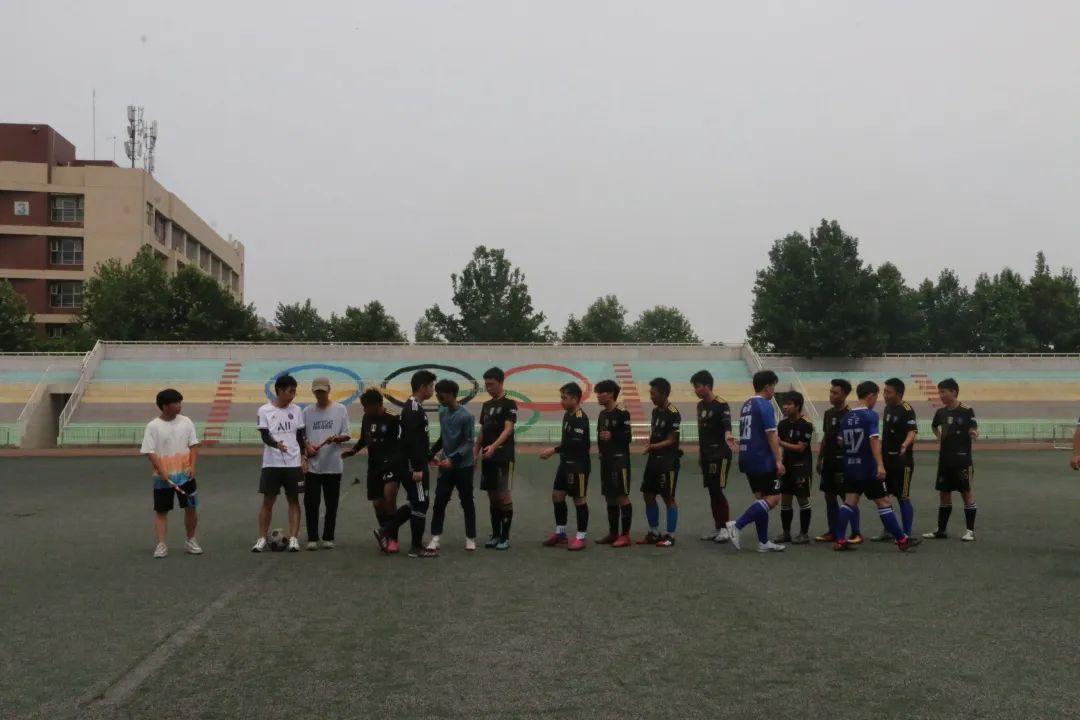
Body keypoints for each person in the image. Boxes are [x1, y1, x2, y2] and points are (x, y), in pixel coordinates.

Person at [832, 381, 911, 552]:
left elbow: (840, 441)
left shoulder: (846, 417)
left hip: (850, 466)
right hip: (867, 468)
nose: (876, 400)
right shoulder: (870, 416)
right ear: (870, 395)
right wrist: (880, 465)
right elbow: (874, 440)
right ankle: (902, 539)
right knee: (884, 502)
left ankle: (839, 540)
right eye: (876, 396)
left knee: (849, 502)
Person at [375, 370, 437, 558]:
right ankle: (415, 547)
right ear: (423, 387)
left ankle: (386, 529)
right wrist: (417, 467)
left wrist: (428, 457)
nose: (433, 389)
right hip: (412, 465)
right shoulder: (413, 409)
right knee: (420, 503)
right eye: (431, 386)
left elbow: (418, 440)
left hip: (415, 462)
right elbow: (411, 442)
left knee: (417, 502)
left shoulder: (414, 407)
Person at [726, 370, 787, 553]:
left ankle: (763, 542)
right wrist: (778, 460)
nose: (774, 390)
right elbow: (771, 434)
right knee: (773, 498)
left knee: (761, 498)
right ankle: (737, 525)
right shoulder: (765, 404)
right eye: (774, 386)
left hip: (747, 456)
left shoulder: (747, 404)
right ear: (767, 386)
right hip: (762, 458)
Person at [140, 388, 201, 559]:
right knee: (161, 511)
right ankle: (161, 544)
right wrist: (162, 472)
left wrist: (192, 467)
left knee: (191, 507)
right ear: (165, 406)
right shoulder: (153, 426)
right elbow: (149, 451)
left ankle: (190, 540)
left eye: (179, 402)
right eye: (175, 403)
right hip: (162, 478)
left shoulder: (186, 422)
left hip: (186, 475)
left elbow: (193, 445)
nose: (179, 406)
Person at [343, 388, 404, 553]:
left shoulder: (393, 418)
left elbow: (402, 443)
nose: (364, 410)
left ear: (377, 405)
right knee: (378, 504)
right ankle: (384, 534)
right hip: (374, 466)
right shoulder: (366, 418)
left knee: (389, 498)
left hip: (391, 465)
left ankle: (393, 539)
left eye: (366, 407)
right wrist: (353, 450)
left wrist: (399, 462)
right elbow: (364, 439)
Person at [253, 374, 307, 553]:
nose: (293, 394)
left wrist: (303, 457)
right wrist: (276, 445)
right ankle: (261, 539)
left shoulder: (297, 410)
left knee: (294, 500)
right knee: (268, 500)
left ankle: (293, 539)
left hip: (293, 463)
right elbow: (264, 436)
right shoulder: (264, 410)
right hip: (272, 463)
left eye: (295, 391)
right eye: (291, 391)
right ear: (280, 390)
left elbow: (300, 437)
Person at [426, 379, 478, 553]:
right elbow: (444, 437)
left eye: (440, 395)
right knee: (440, 501)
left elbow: (469, 442)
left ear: (450, 395)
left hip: (464, 466)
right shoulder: (442, 412)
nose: (438, 398)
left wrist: (453, 459)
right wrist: (431, 452)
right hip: (445, 466)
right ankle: (435, 537)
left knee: (467, 501)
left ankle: (470, 537)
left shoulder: (466, 416)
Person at [924, 378, 979, 541]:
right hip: (945, 459)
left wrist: (973, 433)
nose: (941, 395)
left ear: (953, 392)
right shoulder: (941, 412)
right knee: (944, 493)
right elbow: (934, 426)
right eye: (939, 392)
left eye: (943, 392)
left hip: (962, 460)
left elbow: (973, 427)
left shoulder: (966, 410)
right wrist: (939, 436)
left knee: (965, 492)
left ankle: (970, 531)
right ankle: (941, 530)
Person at [540, 382, 591, 551]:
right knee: (557, 496)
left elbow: (574, 444)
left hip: (579, 465)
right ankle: (560, 534)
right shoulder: (567, 415)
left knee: (579, 499)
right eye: (561, 397)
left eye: (564, 398)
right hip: (565, 464)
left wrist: (553, 450)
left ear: (575, 398)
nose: (561, 401)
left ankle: (581, 537)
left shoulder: (580, 418)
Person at [301, 377, 351, 550]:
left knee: (331, 504)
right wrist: (307, 447)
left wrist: (336, 438)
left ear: (329, 390)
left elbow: (346, 434)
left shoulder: (340, 409)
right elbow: (302, 436)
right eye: (317, 392)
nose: (320, 395)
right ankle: (312, 538)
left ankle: (328, 537)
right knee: (311, 503)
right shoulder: (307, 411)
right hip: (313, 466)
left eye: (322, 391)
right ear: (313, 392)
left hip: (333, 466)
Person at [691, 370, 737, 544]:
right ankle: (718, 527)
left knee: (717, 490)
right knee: (712, 491)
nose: (695, 390)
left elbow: (727, 425)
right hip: (706, 454)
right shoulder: (700, 406)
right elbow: (702, 432)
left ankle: (726, 529)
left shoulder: (721, 404)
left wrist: (728, 435)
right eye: (694, 387)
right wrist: (700, 453)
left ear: (708, 386)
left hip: (720, 454)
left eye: (698, 386)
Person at [871, 378, 919, 543]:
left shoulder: (907, 409)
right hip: (886, 460)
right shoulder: (887, 408)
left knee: (903, 496)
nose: (884, 395)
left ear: (898, 394)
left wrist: (905, 444)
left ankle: (906, 534)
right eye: (884, 391)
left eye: (888, 392)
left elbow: (912, 431)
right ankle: (889, 530)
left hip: (902, 461)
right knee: (884, 496)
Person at [815, 379, 862, 544]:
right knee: (829, 497)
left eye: (835, 393)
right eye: (831, 392)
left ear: (845, 395)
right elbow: (826, 438)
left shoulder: (851, 415)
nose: (831, 395)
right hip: (829, 462)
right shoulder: (828, 414)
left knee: (847, 498)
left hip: (844, 463)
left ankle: (856, 532)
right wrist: (820, 459)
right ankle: (833, 531)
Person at [637, 378, 681, 547]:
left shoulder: (673, 412)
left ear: (664, 394)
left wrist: (652, 446)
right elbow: (655, 433)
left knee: (668, 498)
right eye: (650, 393)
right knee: (648, 495)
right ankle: (654, 533)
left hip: (668, 462)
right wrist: (650, 443)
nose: (651, 397)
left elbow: (671, 440)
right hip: (653, 461)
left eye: (653, 394)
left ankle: (670, 536)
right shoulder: (655, 411)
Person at [477, 367, 517, 550]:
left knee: (503, 496)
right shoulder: (486, 405)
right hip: (488, 457)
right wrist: (475, 451)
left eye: (492, 384)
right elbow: (483, 430)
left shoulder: (509, 404)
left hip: (503, 457)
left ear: (501, 383)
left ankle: (505, 537)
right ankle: (495, 534)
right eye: (486, 385)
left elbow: (508, 429)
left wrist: (493, 446)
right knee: (492, 497)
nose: (489, 388)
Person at [594, 379, 633, 547]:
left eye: (600, 393)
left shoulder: (622, 413)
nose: (597, 396)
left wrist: (612, 435)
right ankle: (613, 533)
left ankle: (625, 535)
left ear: (610, 394)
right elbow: (600, 435)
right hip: (606, 461)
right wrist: (601, 451)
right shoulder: (602, 414)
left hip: (619, 461)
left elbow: (628, 437)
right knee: (609, 497)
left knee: (622, 496)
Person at [775, 391, 814, 544]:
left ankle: (804, 534)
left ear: (798, 406)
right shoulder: (782, 424)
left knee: (802, 500)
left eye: (789, 404)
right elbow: (779, 447)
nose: (785, 407)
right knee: (785, 501)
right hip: (787, 467)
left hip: (801, 467)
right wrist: (778, 462)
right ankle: (786, 533)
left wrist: (781, 443)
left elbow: (800, 448)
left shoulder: (806, 424)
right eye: (784, 404)